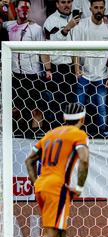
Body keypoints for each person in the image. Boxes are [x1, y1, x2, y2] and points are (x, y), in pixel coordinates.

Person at [23, 103, 90, 237]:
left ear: (63, 119)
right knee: (51, 236)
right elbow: (84, 159)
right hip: (57, 188)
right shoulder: (79, 135)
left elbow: (29, 160)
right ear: (82, 119)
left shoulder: (50, 134)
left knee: (60, 236)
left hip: (42, 186)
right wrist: (79, 187)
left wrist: (37, 182)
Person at [2, 0, 50, 138]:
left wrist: (48, 69)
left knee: (36, 109)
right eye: (22, 7)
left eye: (27, 8)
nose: (25, 10)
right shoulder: (8, 26)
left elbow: (44, 50)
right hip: (15, 74)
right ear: (16, 9)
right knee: (16, 110)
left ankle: (35, 139)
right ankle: (23, 134)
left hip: (33, 74)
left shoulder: (36, 28)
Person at [70, 0, 108, 136]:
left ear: (104, 9)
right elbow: (76, 50)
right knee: (78, 106)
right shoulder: (82, 25)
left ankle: (101, 134)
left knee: (102, 107)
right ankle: (75, 133)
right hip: (84, 73)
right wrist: (76, 69)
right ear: (90, 9)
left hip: (101, 74)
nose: (98, 10)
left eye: (101, 8)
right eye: (95, 7)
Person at [44, 0, 81, 126]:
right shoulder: (51, 20)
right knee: (59, 100)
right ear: (57, 4)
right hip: (57, 67)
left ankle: (70, 130)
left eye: (69, 2)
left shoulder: (77, 18)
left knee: (71, 101)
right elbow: (51, 44)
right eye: (63, 2)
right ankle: (57, 131)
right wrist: (66, 29)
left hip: (72, 66)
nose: (67, 5)